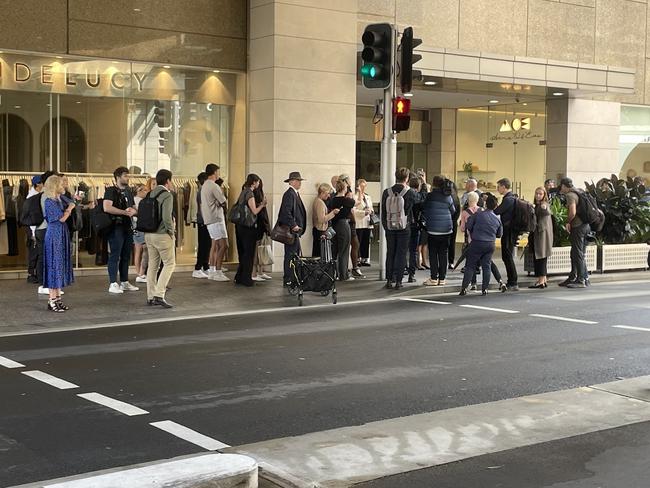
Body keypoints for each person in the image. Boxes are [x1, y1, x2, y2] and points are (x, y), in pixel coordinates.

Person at [381, 167, 426, 289]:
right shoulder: (409, 192)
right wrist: (423, 182)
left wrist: (386, 226)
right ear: (407, 178)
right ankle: (399, 281)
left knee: (390, 253)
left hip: (390, 227)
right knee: (401, 254)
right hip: (404, 227)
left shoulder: (386, 192)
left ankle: (389, 280)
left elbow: (383, 212)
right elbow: (422, 198)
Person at [459, 192, 508, 292]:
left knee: (470, 265)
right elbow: (499, 234)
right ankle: (484, 289)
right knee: (487, 266)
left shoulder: (478, 215)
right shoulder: (497, 219)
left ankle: (464, 288)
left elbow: (468, 226)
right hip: (490, 244)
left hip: (476, 242)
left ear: (485, 204)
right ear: (495, 206)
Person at [103, 166, 139, 294]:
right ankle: (113, 282)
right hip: (115, 227)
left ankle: (124, 281)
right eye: (125, 175)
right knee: (115, 254)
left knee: (125, 255)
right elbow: (106, 207)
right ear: (118, 177)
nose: (127, 178)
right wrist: (124, 212)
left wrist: (133, 211)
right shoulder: (110, 191)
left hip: (127, 226)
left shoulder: (129, 191)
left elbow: (134, 208)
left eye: (128, 175)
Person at [42, 175, 74, 312]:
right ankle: (52, 299)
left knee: (59, 265)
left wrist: (72, 203)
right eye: (61, 184)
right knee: (54, 265)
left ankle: (57, 299)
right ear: (55, 186)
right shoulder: (49, 201)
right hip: (54, 235)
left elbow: (72, 201)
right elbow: (61, 218)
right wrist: (69, 209)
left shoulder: (58, 199)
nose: (64, 186)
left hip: (60, 234)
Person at [145, 169, 176, 308]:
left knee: (153, 265)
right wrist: (171, 231)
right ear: (168, 181)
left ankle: (150, 296)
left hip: (149, 234)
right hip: (162, 234)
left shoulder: (150, 193)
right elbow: (166, 217)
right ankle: (159, 294)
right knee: (169, 264)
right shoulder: (167, 195)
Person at [233, 174, 268, 287]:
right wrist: (262, 205)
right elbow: (254, 211)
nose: (258, 184)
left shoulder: (243, 191)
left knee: (242, 252)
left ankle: (239, 276)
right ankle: (246, 278)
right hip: (248, 227)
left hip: (240, 225)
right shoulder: (250, 193)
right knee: (249, 253)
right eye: (257, 182)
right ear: (253, 182)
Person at [422, 176, 455, 286]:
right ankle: (442, 278)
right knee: (443, 254)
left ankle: (433, 278)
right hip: (446, 229)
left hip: (433, 230)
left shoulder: (430, 196)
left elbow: (425, 210)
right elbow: (453, 211)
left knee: (433, 254)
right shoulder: (448, 196)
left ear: (434, 184)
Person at [558, 177, 590, 288]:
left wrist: (568, 222)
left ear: (563, 186)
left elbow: (572, 211)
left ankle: (581, 280)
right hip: (586, 226)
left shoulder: (570, 195)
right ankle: (576, 277)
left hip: (578, 227)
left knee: (578, 253)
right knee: (576, 253)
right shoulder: (579, 191)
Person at [201, 163, 229, 282]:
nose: (219, 174)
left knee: (215, 245)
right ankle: (218, 271)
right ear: (214, 172)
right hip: (217, 218)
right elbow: (223, 201)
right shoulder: (214, 186)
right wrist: (221, 204)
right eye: (218, 171)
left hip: (209, 219)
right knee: (224, 245)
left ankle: (212, 270)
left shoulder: (205, 185)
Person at [278, 171, 307, 286]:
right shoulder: (290, 194)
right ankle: (289, 278)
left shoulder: (294, 194)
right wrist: (293, 225)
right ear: (292, 182)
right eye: (298, 181)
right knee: (291, 255)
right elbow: (286, 212)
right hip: (292, 231)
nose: (300, 183)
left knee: (294, 254)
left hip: (295, 231)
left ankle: (292, 277)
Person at [494, 177, 518, 290]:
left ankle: (513, 281)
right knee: (507, 255)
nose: (497, 189)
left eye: (498, 187)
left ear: (504, 187)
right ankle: (512, 280)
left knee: (507, 255)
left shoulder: (508, 199)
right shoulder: (510, 198)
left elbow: (497, 211)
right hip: (510, 230)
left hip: (508, 231)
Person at [330, 179, 356, 281]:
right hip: (343, 225)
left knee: (335, 250)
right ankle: (344, 275)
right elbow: (353, 202)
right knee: (344, 250)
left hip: (334, 225)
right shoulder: (346, 200)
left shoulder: (333, 199)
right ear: (344, 188)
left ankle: (334, 274)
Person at [529, 186, 554, 289]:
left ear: (544, 195)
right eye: (537, 193)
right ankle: (542, 280)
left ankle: (541, 280)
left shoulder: (543, 205)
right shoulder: (538, 205)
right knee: (540, 257)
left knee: (541, 257)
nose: (538, 196)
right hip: (541, 235)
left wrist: (543, 207)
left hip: (541, 235)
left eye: (540, 194)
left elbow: (546, 210)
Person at [252, 178, 273, 281]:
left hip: (261, 224)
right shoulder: (254, 194)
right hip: (259, 225)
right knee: (257, 249)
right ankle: (255, 273)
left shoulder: (258, 193)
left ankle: (259, 271)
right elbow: (259, 211)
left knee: (261, 249)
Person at [312, 183, 340, 258]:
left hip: (318, 230)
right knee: (320, 254)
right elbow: (322, 219)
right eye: (327, 193)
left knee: (318, 253)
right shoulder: (320, 203)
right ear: (322, 193)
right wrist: (333, 213)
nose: (329, 196)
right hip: (320, 230)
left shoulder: (318, 201)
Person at [192, 172, 211, 279]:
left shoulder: (203, 190)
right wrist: (206, 220)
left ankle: (205, 265)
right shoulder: (202, 191)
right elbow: (202, 207)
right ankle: (198, 267)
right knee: (204, 244)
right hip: (203, 221)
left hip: (204, 220)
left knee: (207, 244)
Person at [26, 175, 43, 284]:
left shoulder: (36, 195)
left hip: (35, 227)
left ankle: (34, 273)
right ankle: (31, 274)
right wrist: (33, 233)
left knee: (36, 252)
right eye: (41, 183)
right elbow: (32, 216)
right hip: (33, 228)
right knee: (34, 251)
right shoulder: (32, 196)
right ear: (37, 184)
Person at [407, 177, 424, 283]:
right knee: (413, 251)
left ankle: (400, 270)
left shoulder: (406, 194)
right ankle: (411, 274)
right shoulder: (418, 197)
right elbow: (424, 199)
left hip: (405, 224)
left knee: (402, 250)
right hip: (415, 225)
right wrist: (424, 184)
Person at [354, 179, 374, 267]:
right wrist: (364, 212)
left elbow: (371, 207)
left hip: (367, 222)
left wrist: (371, 211)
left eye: (364, 186)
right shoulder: (355, 197)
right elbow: (354, 210)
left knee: (366, 241)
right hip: (359, 221)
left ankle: (365, 258)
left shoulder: (367, 196)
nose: (363, 188)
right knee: (359, 240)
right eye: (361, 186)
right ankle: (357, 258)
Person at [132, 183, 148, 283]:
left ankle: (139, 273)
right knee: (142, 250)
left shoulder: (134, 201)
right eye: (144, 190)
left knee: (138, 250)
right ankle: (140, 273)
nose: (146, 192)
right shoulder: (139, 201)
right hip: (139, 226)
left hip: (137, 226)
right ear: (139, 191)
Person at [447, 179, 461, 270]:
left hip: (445, 222)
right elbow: (458, 212)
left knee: (444, 243)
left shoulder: (445, 197)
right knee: (452, 243)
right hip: (453, 222)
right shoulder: (456, 198)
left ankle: (443, 261)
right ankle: (451, 262)